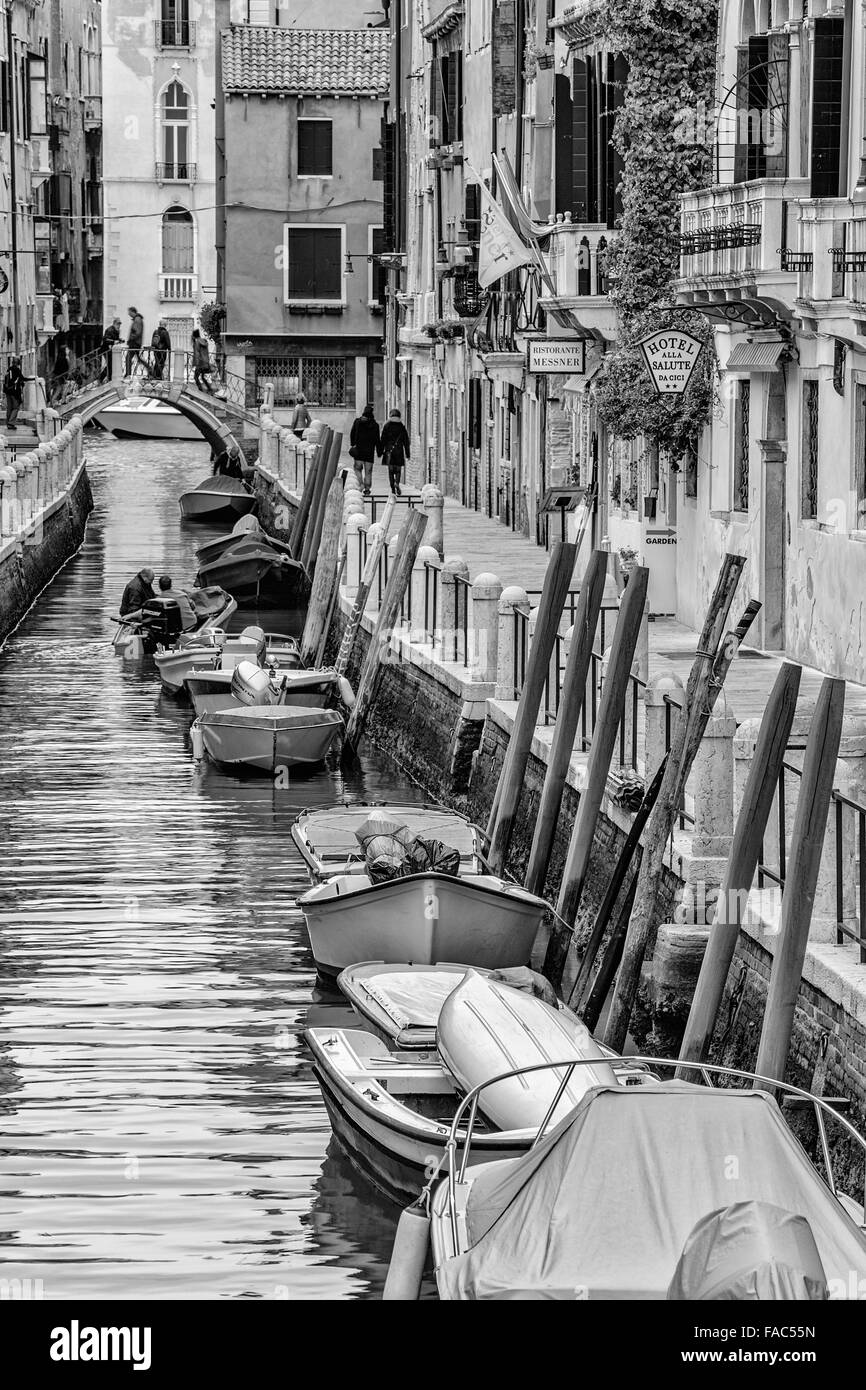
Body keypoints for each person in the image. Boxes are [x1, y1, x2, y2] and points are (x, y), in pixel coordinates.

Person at [378, 408, 411, 497]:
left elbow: (383, 440)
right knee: (398, 470)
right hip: (399, 451)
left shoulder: (387, 426)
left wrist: (380, 451)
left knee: (391, 471)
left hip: (389, 451)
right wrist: (407, 454)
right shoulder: (402, 427)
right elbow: (406, 441)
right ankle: (397, 482)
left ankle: (393, 489)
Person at [349, 402, 380, 496]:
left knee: (357, 469)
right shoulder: (375, 425)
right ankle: (367, 489)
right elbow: (377, 439)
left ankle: (361, 483)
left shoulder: (357, 422)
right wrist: (379, 451)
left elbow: (352, 433)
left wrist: (353, 444)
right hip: (369, 452)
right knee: (368, 471)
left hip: (359, 451)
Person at [3, 356, 25, 430]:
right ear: (18, 363)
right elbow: (22, 378)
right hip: (14, 392)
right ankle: (11, 423)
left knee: (9, 408)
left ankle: (8, 423)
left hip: (7, 391)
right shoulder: (17, 370)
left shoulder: (9, 369)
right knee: (16, 407)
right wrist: (33, 378)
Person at [191, 329, 214, 393]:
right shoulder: (204, 341)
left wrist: (195, 364)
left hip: (200, 363)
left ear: (194, 335)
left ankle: (200, 390)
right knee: (203, 377)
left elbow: (197, 354)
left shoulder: (197, 342)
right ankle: (210, 389)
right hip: (205, 362)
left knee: (195, 377)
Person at [125, 306, 144, 377]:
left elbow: (137, 332)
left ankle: (128, 374)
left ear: (133, 312)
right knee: (138, 359)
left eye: (129, 312)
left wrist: (131, 339)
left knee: (128, 358)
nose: (128, 314)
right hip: (136, 342)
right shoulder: (137, 319)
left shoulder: (137, 319)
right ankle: (150, 369)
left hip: (135, 343)